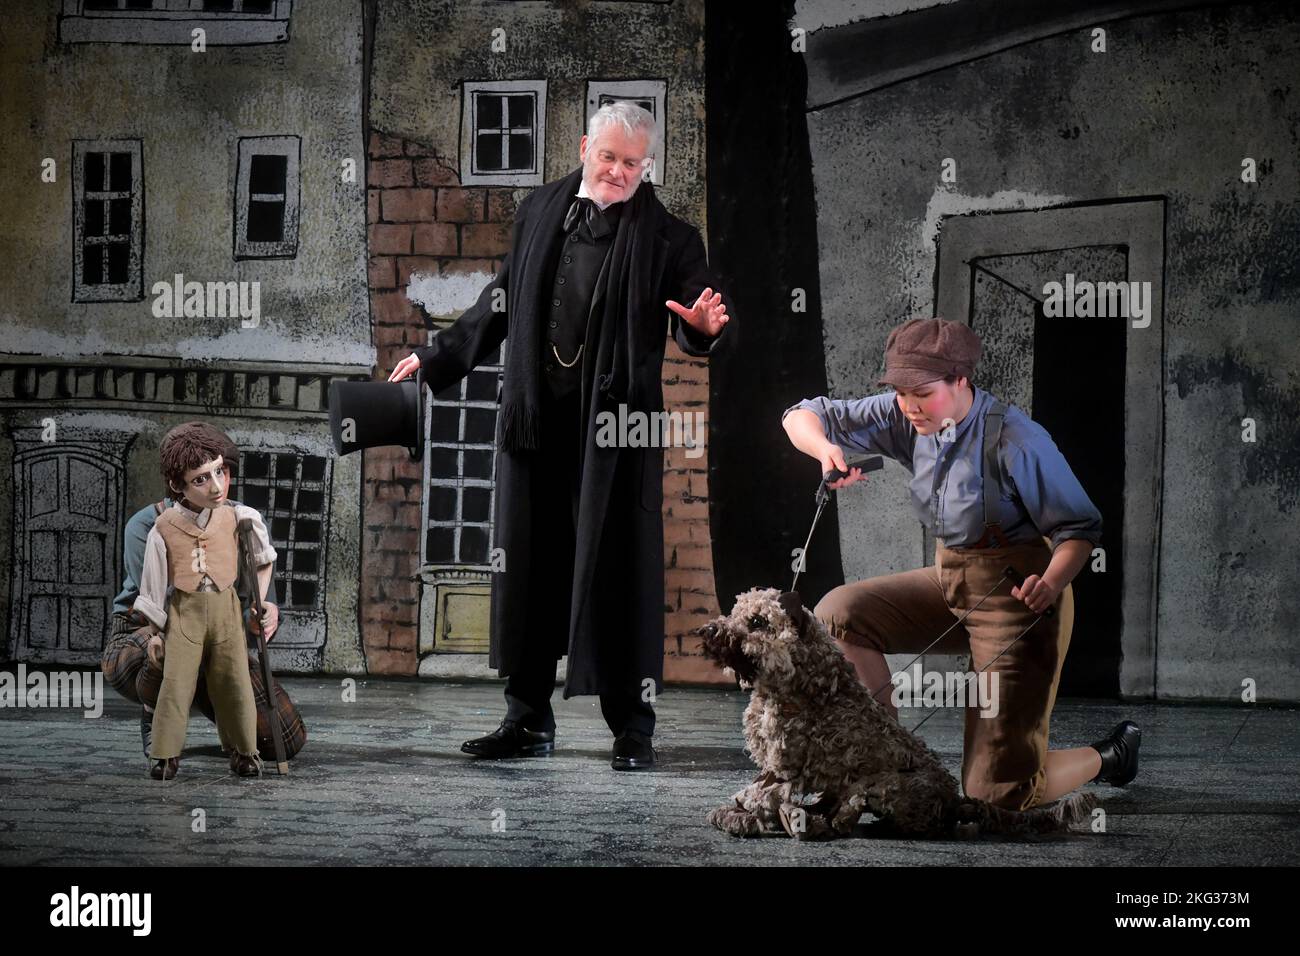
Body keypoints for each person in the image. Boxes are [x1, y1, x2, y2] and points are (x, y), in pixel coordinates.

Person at [389, 101, 731, 770]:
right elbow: (502, 299)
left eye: (632, 163)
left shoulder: (669, 237)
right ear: (584, 148)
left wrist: (702, 327)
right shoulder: (541, 210)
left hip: (613, 437)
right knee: (530, 571)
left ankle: (633, 729)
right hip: (535, 424)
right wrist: (437, 360)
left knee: (620, 579)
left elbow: (700, 312)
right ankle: (526, 721)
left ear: (646, 164)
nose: (618, 171)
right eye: (608, 157)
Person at [781, 316, 1139, 811]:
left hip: (1019, 600)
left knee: (995, 796)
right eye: (900, 393)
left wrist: (1052, 581)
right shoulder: (906, 417)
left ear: (960, 381)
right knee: (840, 612)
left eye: (922, 393)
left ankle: (1111, 755)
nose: (909, 406)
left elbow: (1079, 530)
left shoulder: (1016, 440)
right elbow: (800, 414)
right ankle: (885, 762)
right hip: (951, 582)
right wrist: (826, 452)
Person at [103, 422, 306, 772]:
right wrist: (159, 635)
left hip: (221, 627)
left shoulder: (239, 519)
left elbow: (255, 585)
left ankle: (240, 746)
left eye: (221, 472)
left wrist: (262, 613)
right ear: (177, 483)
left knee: (283, 737)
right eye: (200, 478)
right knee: (168, 663)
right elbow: (155, 593)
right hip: (149, 631)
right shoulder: (151, 525)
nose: (216, 485)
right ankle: (159, 720)